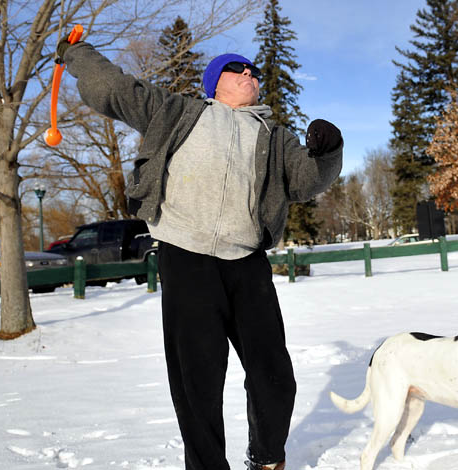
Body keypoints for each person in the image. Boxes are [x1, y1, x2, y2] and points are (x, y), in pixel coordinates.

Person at [56, 38, 343, 470]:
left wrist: (327, 152)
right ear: (214, 82)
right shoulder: (176, 112)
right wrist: (77, 55)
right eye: (239, 69)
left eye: (254, 72)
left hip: (247, 262)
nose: (251, 75)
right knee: (198, 382)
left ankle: (266, 459)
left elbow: (306, 181)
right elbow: (114, 88)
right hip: (186, 257)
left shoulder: (273, 135)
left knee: (274, 375)